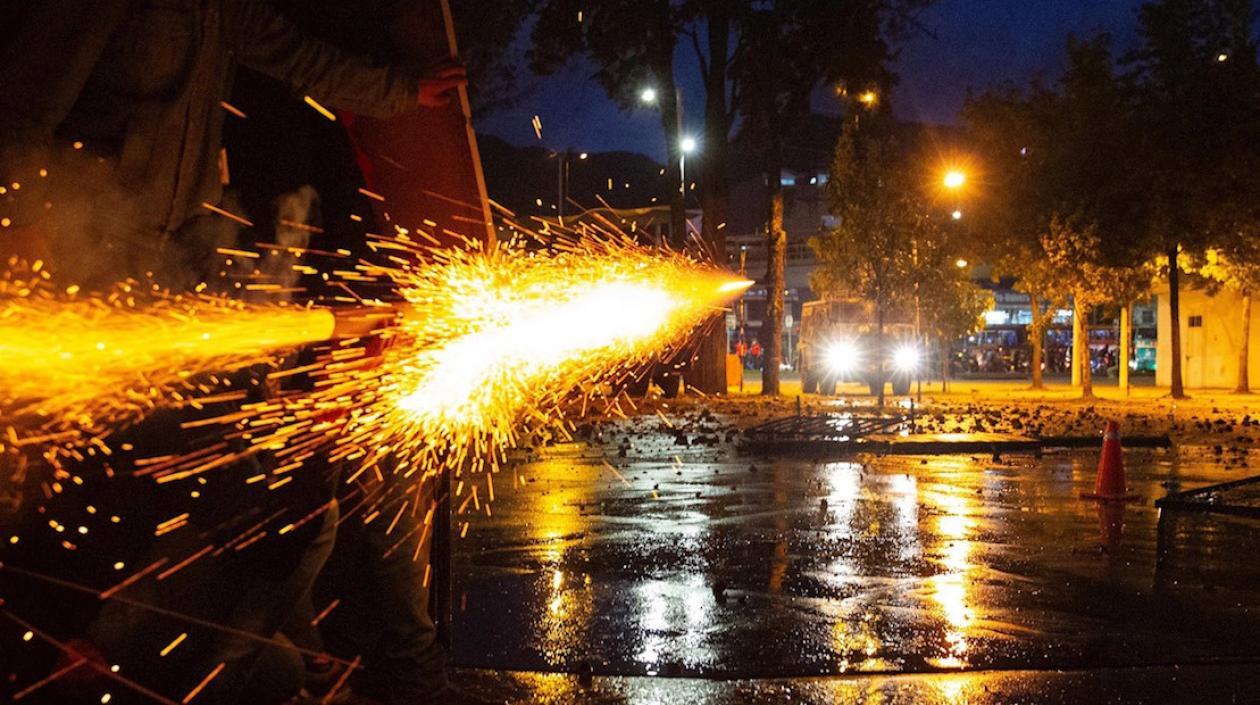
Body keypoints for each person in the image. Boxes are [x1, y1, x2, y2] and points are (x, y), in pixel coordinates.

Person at [0, 3, 466, 703]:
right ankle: (79, 654)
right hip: (90, 267)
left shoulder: (225, 10)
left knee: (245, 496)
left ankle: (149, 654)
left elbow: (303, 55)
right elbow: (18, 113)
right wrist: (31, 243)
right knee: (129, 486)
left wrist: (403, 93)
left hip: (178, 271)